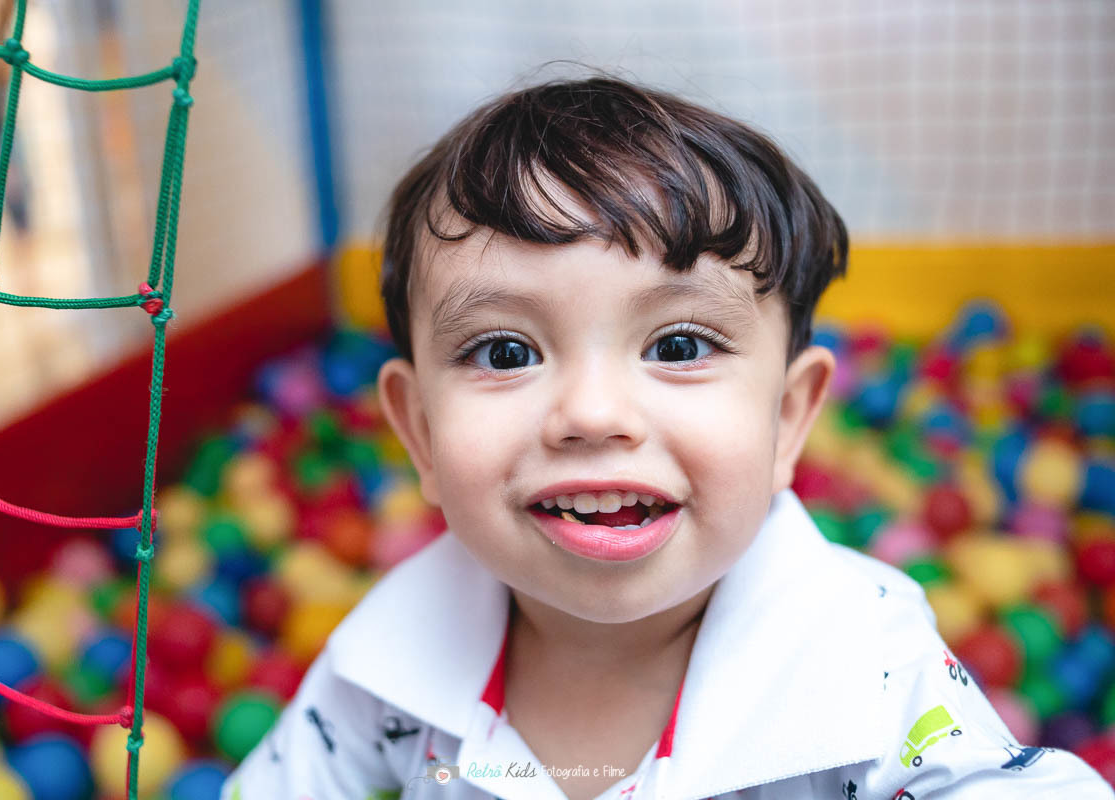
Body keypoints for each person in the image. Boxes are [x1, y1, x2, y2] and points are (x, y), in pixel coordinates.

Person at [221, 75, 1113, 799]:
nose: (593, 414)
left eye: (678, 346)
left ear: (789, 420)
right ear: (417, 431)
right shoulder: (388, 660)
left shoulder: (863, 657)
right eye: (505, 350)